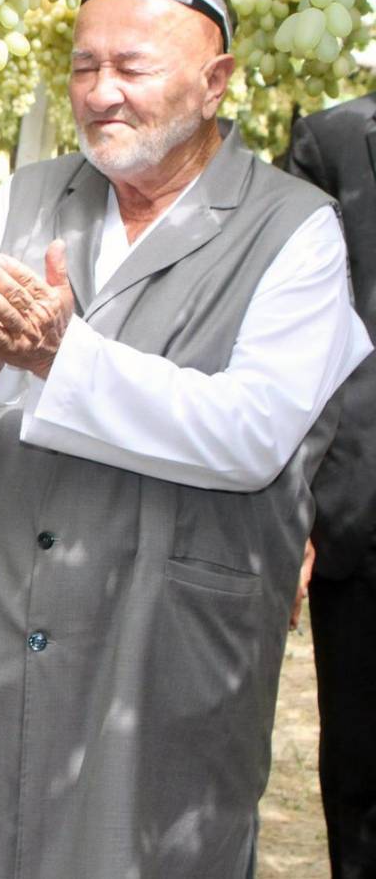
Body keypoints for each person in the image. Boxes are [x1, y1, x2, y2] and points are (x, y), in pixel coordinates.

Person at [0, 0, 371, 878]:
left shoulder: (296, 227)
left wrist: (59, 359)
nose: (100, 93)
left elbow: (251, 433)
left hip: (167, 635)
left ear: (216, 81)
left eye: (131, 67)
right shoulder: (27, 198)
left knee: (143, 845)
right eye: (83, 66)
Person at [286, 95, 376, 879]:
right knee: (361, 766)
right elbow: (297, 338)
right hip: (362, 510)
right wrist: (296, 507)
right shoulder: (335, 140)